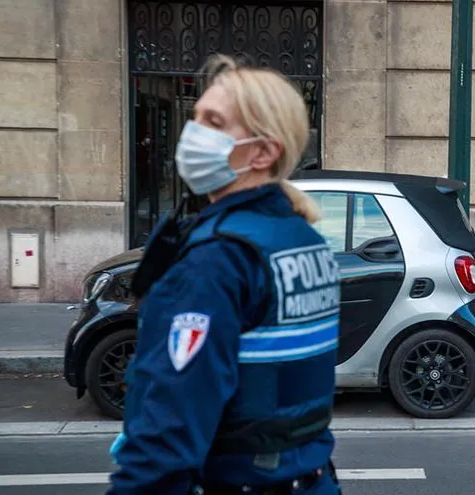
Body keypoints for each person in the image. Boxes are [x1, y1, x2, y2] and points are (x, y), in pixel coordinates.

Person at [106, 53, 342, 495]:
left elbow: (167, 436)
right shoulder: (304, 241)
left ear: (263, 151)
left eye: (213, 122)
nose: (191, 134)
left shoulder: (217, 260)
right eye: (194, 117)